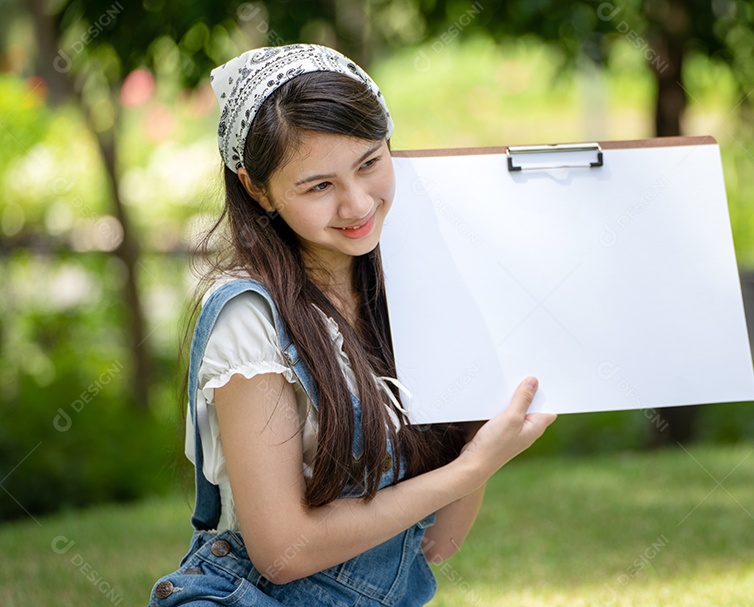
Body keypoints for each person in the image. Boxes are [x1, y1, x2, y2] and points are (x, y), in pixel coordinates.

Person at [146, 44, 556, 606]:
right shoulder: (249, 318)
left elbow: (438, 542)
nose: (358, 203)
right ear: (256, 188)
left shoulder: (412, 292)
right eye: (319, 186)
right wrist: (471, 468)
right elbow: (282, 551)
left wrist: (480, 441)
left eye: (370, 162)